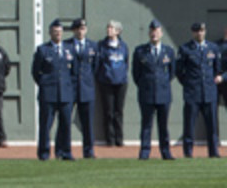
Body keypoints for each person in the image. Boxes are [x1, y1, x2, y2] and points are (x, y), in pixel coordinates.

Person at [176, 21, 222, 158]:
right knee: (189, 125)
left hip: (209, 92)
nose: (199, 33)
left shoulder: (213, 48)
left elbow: (217, 69)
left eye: (201, 30)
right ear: (193, 32)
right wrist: (189, 84)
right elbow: (179, 72)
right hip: (192, 93)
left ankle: (214, 152)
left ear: (205, 31)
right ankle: (188, 152)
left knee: (212, 125)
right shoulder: (185, 49)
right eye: (197, 31)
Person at [133, 17, 176, 160]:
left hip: (163, 93)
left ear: (161, 33)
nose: (154, 34)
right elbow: (136, 74)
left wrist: (161, 83)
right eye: (152, 31)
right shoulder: (140, 51)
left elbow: (172, 72)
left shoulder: (168, 51)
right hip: (147, 93)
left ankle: (166, 152)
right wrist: (146, 85)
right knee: (146, 125)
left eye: (156, 31)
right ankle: (145, 152)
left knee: (163, 125)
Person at [32, 18, 74, 161]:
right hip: (48, 94)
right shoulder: (43, 50)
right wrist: (44, 84)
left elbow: (73, 72)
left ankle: (64, 152)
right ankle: (44, 153)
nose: (58, 34)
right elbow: (35, 72)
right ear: (50, 33)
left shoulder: (69, 49)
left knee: (66, 125)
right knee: (46, 125)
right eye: (55, 32)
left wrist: (69, 88)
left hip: (65, 93)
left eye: (60, 32)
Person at [64, 17, 99, 159]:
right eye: (78, 28)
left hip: (86, 88)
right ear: (74, 30)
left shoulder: (93, 46)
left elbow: (95, 67)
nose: (80, 31)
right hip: (70, 88)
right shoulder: (67, 45)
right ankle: (64, 150)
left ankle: (88, 151)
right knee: (65, 121)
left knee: (87, 123)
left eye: (83, 28)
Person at [95, 20, 130, 147]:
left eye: (112, 28)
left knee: (118, 111)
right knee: (108, 111)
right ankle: (110, 140)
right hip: (106, 83)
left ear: (118, 31)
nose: (109, 30)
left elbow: (126, 63)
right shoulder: (102, 46)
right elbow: (98, 64)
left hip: (121, 83)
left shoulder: (123, 46)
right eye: (108, 27)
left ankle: (119, 139)